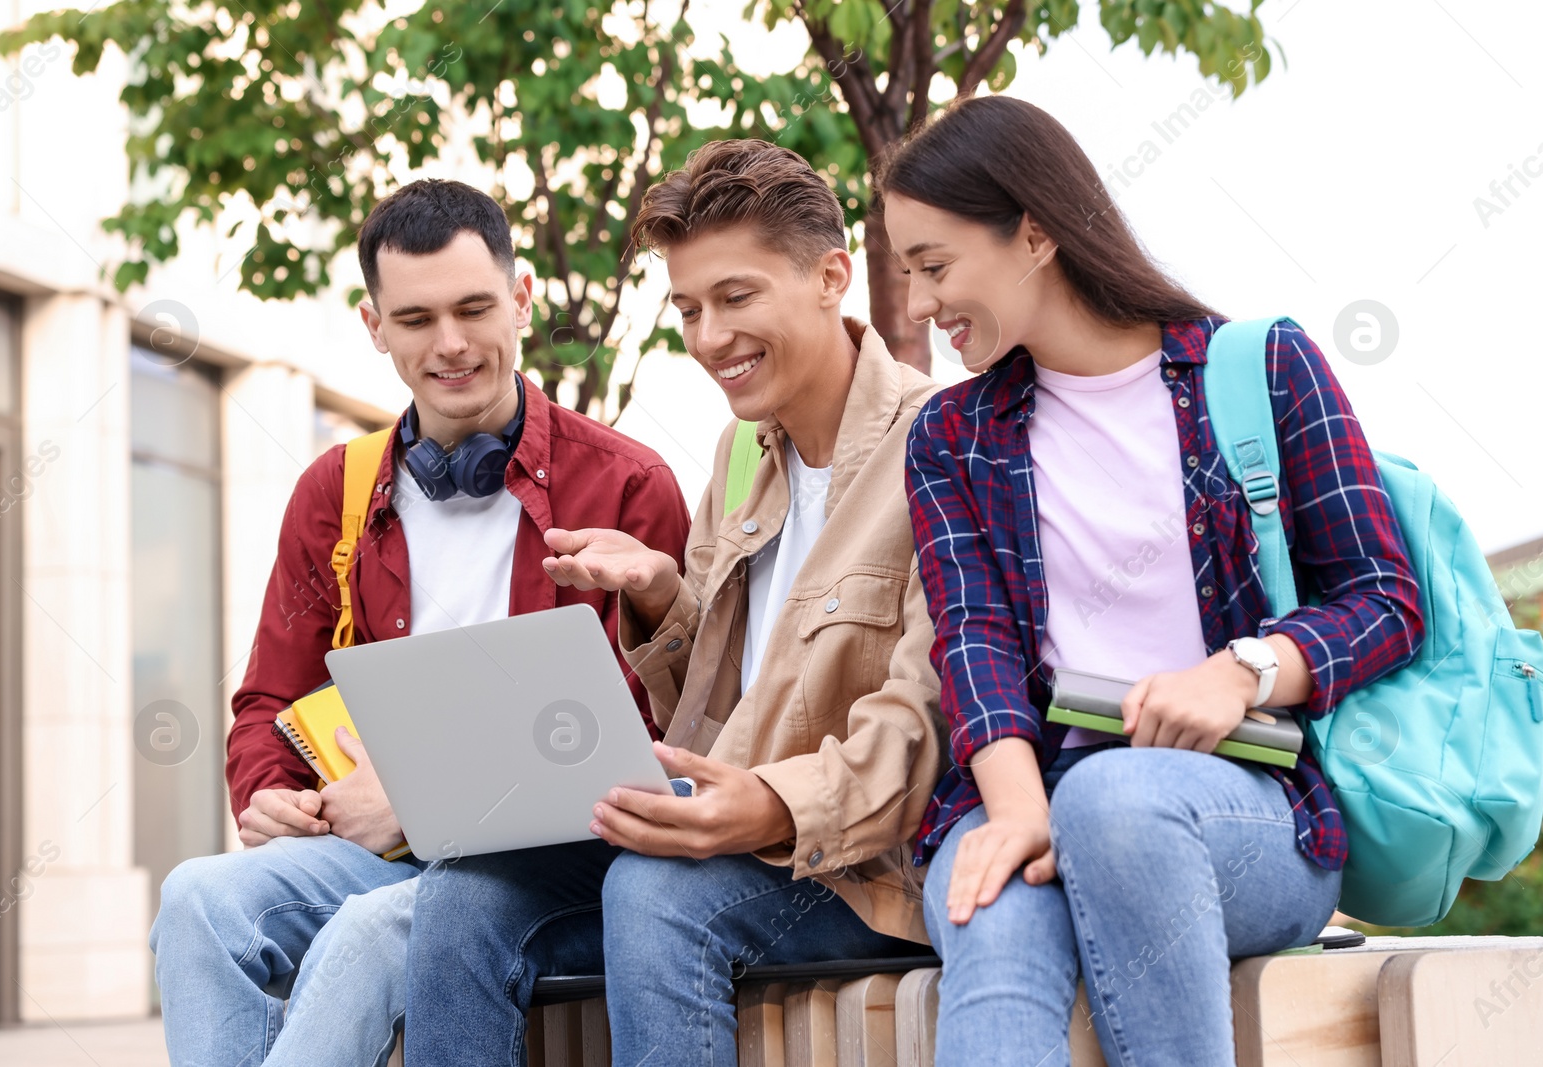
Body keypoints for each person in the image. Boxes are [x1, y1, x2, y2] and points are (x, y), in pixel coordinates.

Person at [878, 95, 1425, 1067]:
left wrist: (1240, 671)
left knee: (1116, 802)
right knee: (992, 917)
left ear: (1035, 234)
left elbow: (1384, 597)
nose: (917, 305)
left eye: (934, 266)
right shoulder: (952, 436)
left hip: (1249, 807)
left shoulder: (1255, 370)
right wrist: (1014, 813)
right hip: (1029, 786)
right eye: (906, 273)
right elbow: (975, 643)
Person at [402, 138, 945, 1067]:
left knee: (653, 892)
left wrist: (766, 806)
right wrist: (660, 597)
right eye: (689, 308)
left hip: (854, 869)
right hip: (710, 838)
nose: (707, 338)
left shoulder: (937, 447)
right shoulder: (740, 463)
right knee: (462, 894)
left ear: (830, 275)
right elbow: (724, 703)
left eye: (735, 298)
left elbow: (923, 723)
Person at [148, 178, 690, 1067]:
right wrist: (265, 793)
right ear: (374, 326)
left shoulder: (629, 485)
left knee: (368, 932)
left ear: (520, 300)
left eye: (475, 308)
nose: (451, 344)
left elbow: (650, 737)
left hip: (541, 868)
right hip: (375, 851)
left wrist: (426, 798)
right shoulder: (336, 490)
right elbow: (270, 697)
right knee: (196, 897)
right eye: (416, 319)